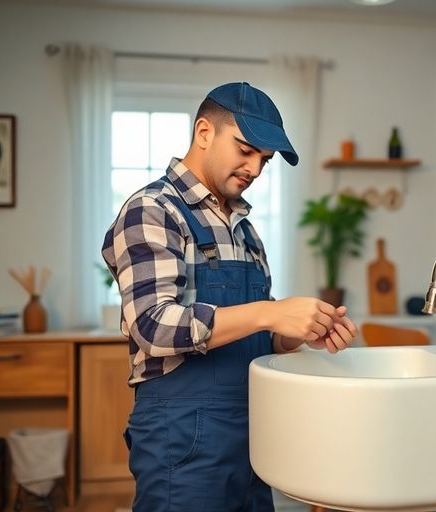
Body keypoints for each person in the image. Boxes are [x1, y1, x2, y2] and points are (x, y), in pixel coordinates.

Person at [101, 82, 358, 511]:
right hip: (182, 436)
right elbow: (153, 325)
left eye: (264, 160)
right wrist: (268, 313)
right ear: (204, 132)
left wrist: (294, 333)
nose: (255, 169)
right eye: (245, 149)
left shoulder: (245, 229)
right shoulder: (153, 209)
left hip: (253, 435)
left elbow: (255, 335)